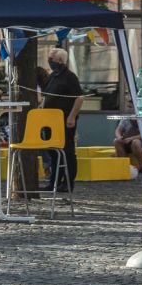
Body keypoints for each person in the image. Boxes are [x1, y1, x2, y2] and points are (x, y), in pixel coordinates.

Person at [38, 46, 84, 191]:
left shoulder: (70, 77)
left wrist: (72, 116)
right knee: (53, 151)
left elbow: (80, 97)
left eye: (51, 58)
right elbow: (46, 96)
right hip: (50, 121)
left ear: (60, 60)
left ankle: (68, 183)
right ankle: (54, 183)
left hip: (65, 120)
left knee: (67, 151)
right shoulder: (53, 75)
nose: (49, 61)